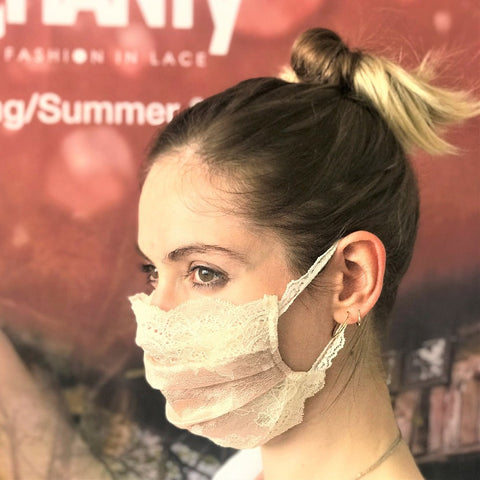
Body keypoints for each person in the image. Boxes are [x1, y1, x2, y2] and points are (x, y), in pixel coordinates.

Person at [129, 27, 479, 480]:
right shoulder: (241, 471)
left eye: (204, 272)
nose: (154, 321)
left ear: (351, 279)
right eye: (153, 272)